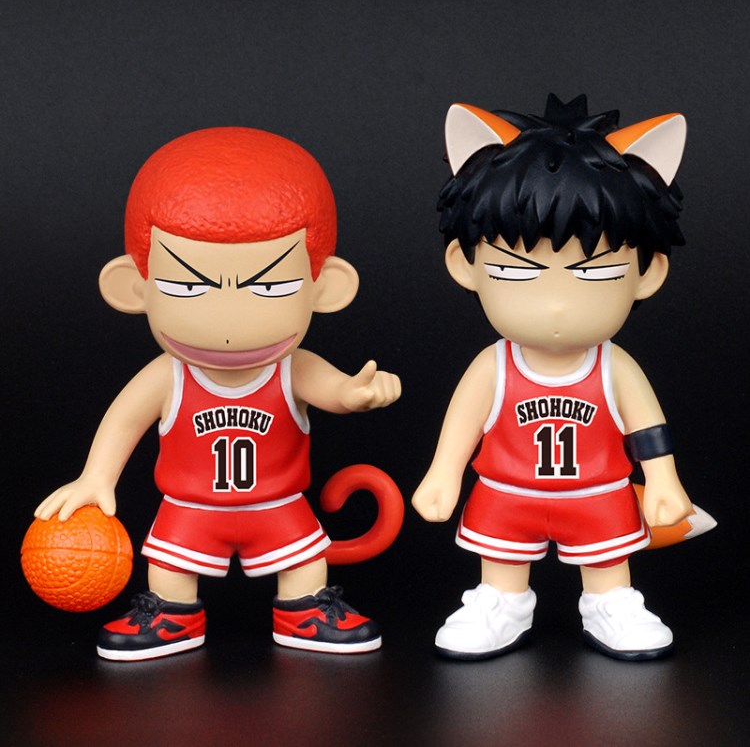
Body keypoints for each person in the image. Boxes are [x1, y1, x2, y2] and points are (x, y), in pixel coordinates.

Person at [36, 127, 401, 661]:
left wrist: (356, 392)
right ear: (135, 288)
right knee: (170, 567)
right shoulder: (168, 375)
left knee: (303, 562)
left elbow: (333, 390)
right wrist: (96, 477)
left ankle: (304, 609)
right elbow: (123, 421)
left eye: (270, 286)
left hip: (277, 505)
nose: (228, 321)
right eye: (188, 286)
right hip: (190, 507)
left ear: (323, 288)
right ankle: (171, 614)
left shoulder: (292, 368)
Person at [412, 94, 702, 660]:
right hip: (507, 493)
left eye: (593, 274)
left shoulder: (614, 366)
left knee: (608, 562)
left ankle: (611, 601)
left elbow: (648, 430)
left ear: (646, 274)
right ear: (466, 266)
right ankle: (501, 601)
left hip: (598, 494)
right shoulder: (494, 366)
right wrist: (443, 473)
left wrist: (665, 481)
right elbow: (461, 428)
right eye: (516, 272)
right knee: (500, 560)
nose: (556, 305)